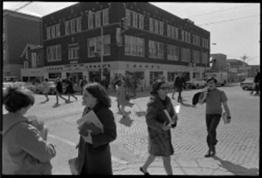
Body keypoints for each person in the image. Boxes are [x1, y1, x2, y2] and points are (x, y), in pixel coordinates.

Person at [2, 86, 56, 174]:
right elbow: (45, 154)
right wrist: (41, 132)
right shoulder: (23, 129)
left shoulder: (5, 121)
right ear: (24, 106)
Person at [76, 82, 117, 175]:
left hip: (98, 157)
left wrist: (93, 140)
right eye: (83, 95)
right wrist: (81, 142)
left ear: (96, 97)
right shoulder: (86, 109)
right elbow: (85, 128)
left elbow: (111, 135)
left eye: (86, 95)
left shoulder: (105, 112)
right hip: (84, 154)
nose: (82, 98)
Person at [140, 80, 177, 175]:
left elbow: (172, 112)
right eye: (163, 88)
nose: (166, 90)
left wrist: (174, 118)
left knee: (153, 154)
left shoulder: (167, 100)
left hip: (166, 133)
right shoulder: (153, 103)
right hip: (156, 134)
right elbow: (149, 120)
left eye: (167, 88)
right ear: (157, 90)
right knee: (166, 156)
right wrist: (161, 127)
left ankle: (144, 168)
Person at [198, 77, 231, 157]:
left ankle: (213, 144)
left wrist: (229, 115)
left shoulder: (221, 92)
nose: (210, 84)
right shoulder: (205, 92)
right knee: (209, 131)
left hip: (217, 114)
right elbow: (200, 102)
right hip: (208, 114)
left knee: (211, 129)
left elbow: (225, 105)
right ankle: (211, 149)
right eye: (209, 83)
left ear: (215, 84)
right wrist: (205, 95)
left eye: (212, 83)